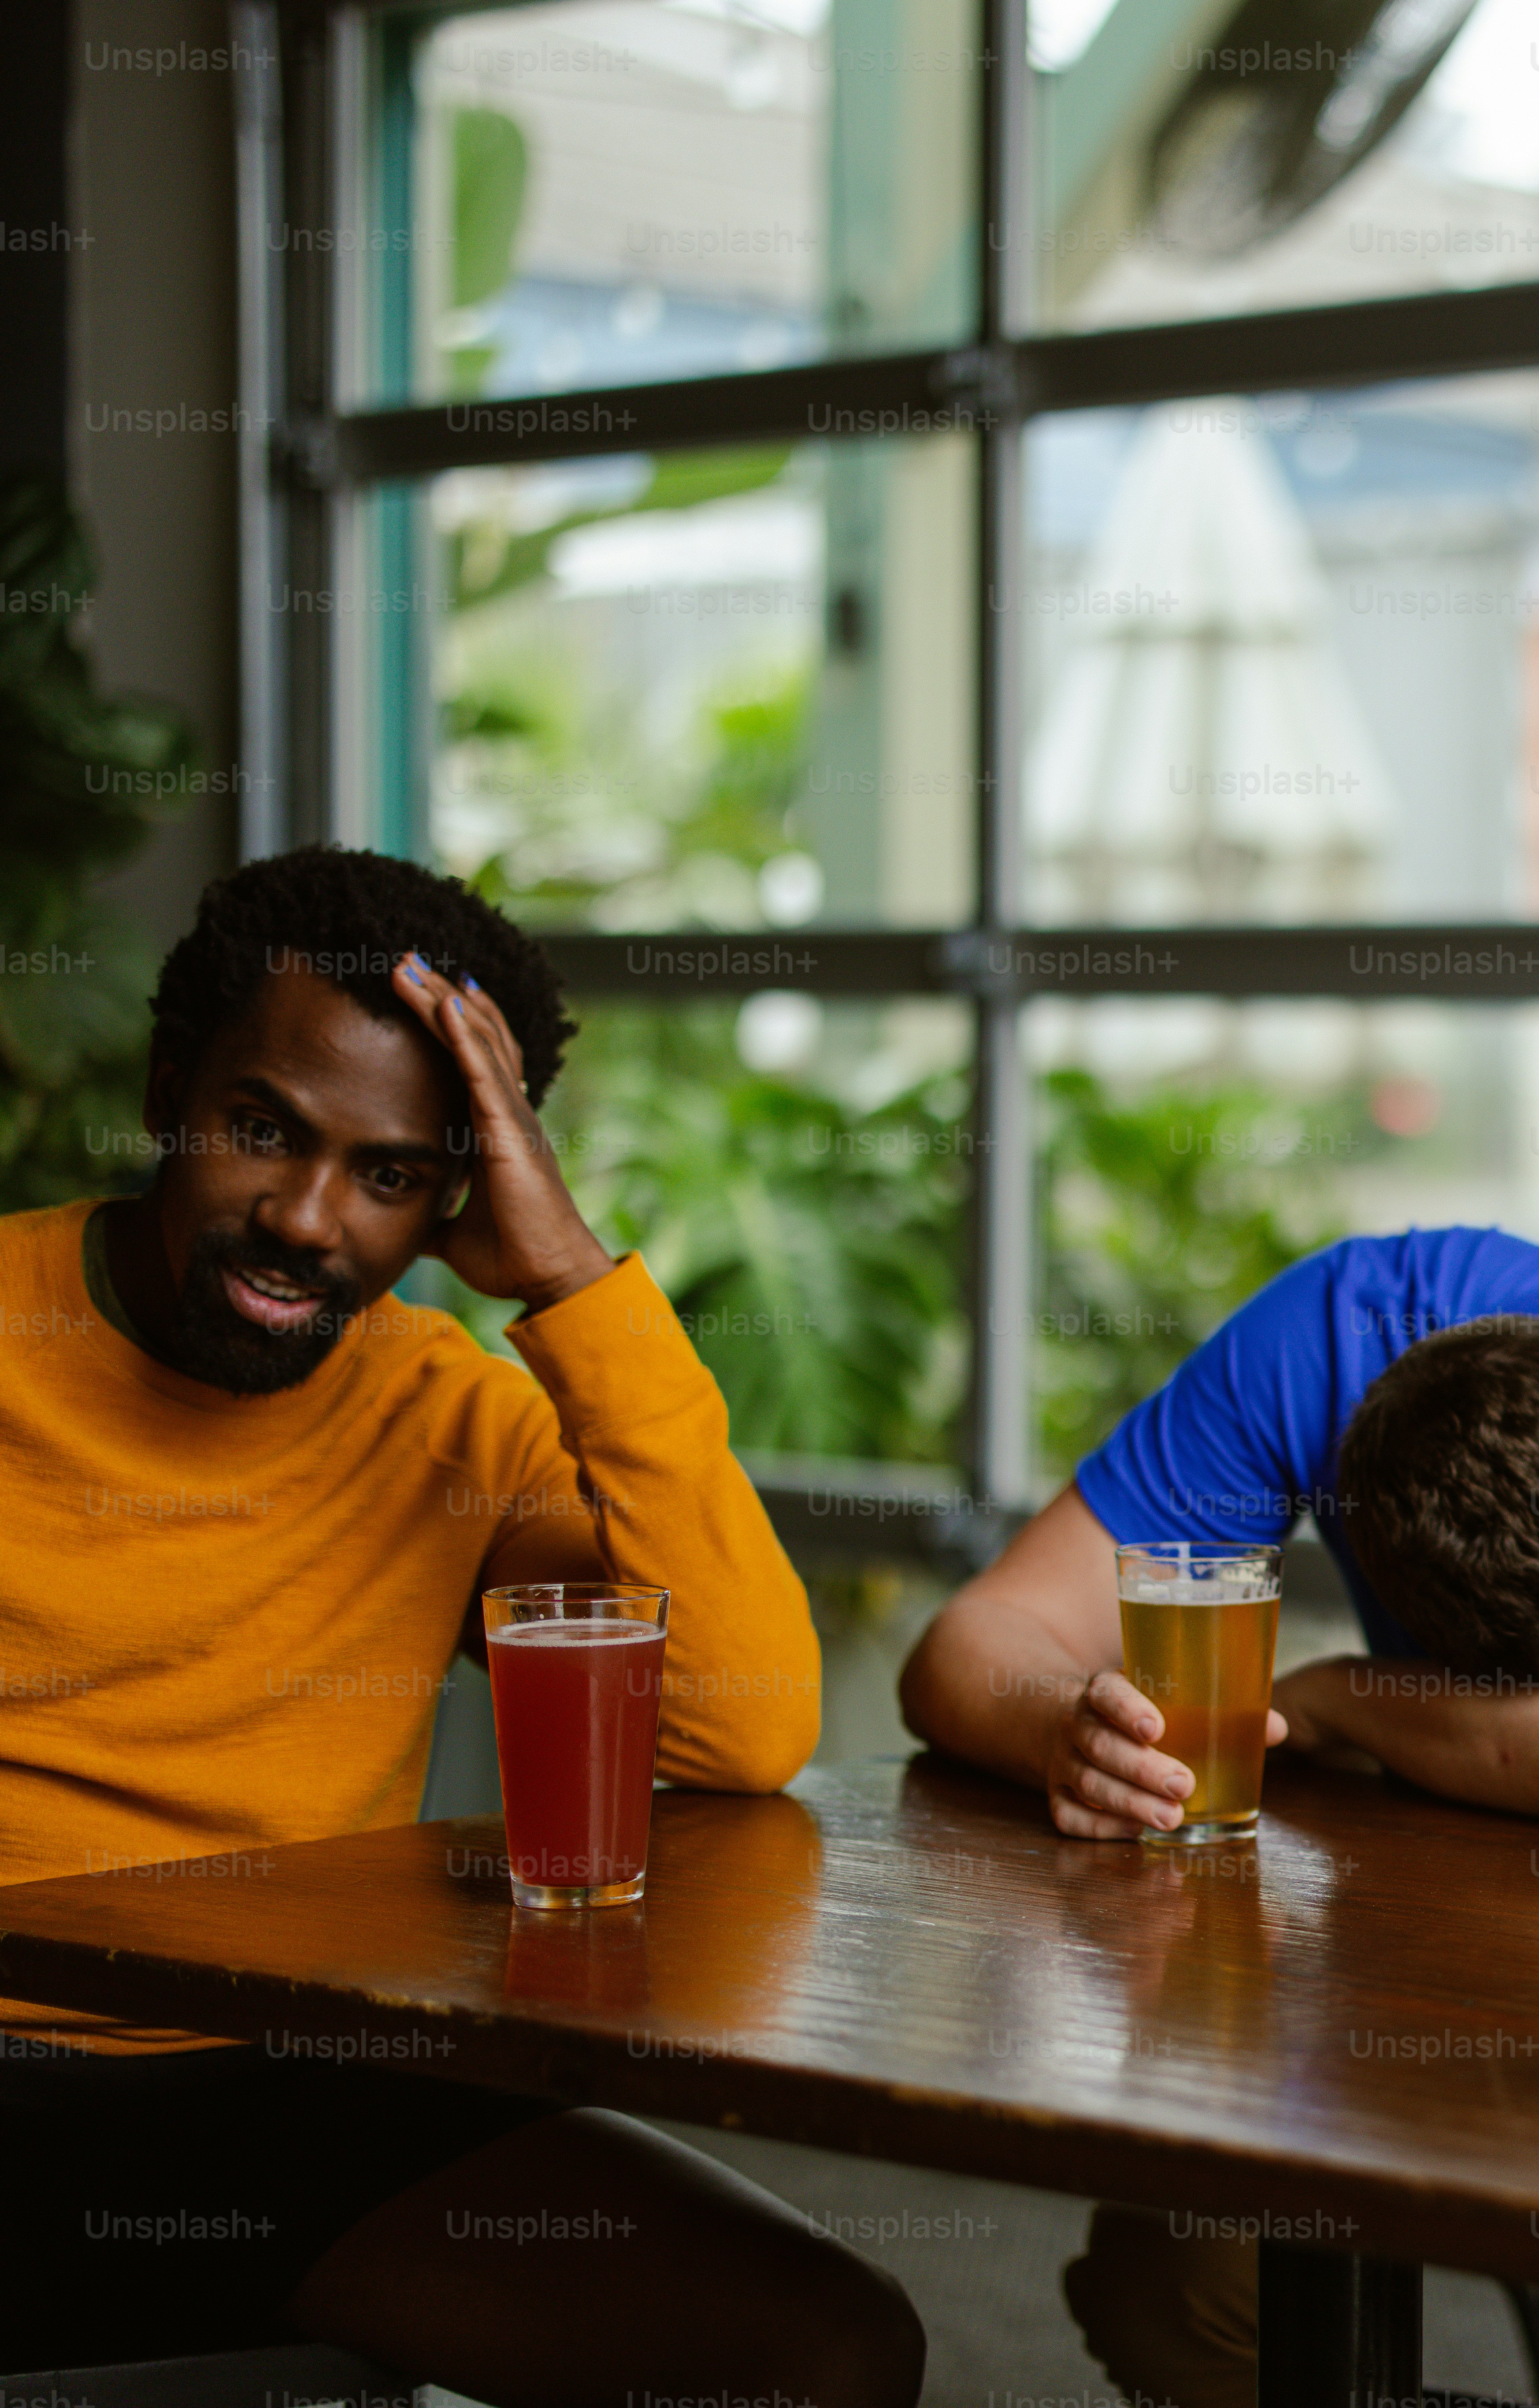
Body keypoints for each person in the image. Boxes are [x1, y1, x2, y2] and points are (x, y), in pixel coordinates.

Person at [0, 847, 921, 2399]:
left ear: (457, 1195)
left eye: (391, 1175)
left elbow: (740, 1723)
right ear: (173, 1090)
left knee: (820, 2351)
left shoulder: (458, 1422)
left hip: (291, 2091)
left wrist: (572, 1282)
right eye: (260, 1131)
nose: (307, 1218)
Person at [898, 1224, 1539, 2401]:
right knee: (1177, 2300)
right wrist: (1060, 1726)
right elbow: (969, 1646)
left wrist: (1338, 1694)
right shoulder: (1341, 1337)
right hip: (1403, 1981)